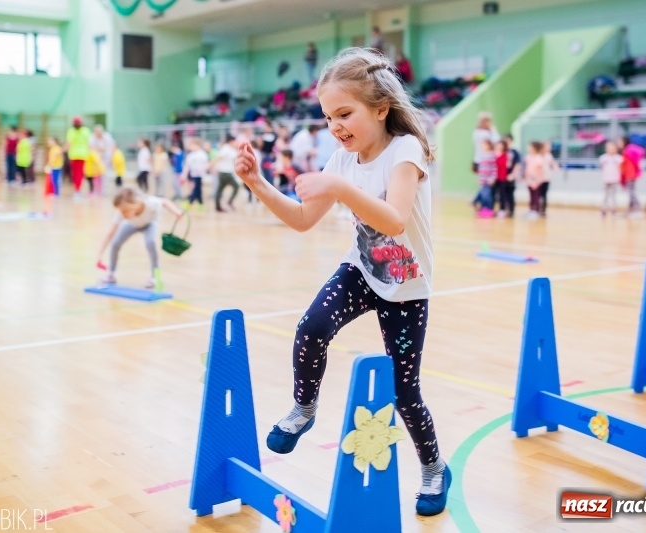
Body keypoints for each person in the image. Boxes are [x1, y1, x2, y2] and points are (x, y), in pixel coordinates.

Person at [233, 47, 450, 518]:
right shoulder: (341, 161)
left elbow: (393, 220)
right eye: (329, 116)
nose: (335, 126)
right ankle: (303, 409)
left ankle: (433, 467)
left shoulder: (405, 151)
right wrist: (257, 183)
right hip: (362, 270)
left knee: (404, 393)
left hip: (406, 285)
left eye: (345, 113)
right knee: (312, 328)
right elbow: (301, 219)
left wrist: (338, 189)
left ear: (380, 108)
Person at [97, 187, 183, 289]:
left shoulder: (149, 202)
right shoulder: (122, 213)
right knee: (115, 243)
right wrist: (100, 254)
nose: (123, 214)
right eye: (121, 211)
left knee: (151, 243)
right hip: (131, 224)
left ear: (135, 204)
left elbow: (164, 201)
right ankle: (111, 274)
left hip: (150, 224)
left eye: (125, 211)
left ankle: (155, 277)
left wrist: (176, 211)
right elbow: (110, 233)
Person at [618, 136, 645, 216]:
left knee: (631, 193)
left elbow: (640, 154)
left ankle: (638, 210)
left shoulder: (628, 150)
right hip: (628, 175)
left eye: (620, 141)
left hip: (631, 175)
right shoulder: (625, 151)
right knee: (630, 193)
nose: (618, 143)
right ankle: (630, 210)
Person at [213, 134, 240, 212]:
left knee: (220, 189)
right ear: (231, 141)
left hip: (227, 172)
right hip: (224, 172)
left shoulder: (231, 149)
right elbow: (219, 157)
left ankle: (218, 206)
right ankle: (228, 202)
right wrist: (214, 166)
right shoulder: (226, 148)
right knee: (236, 186)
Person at [66, 116, 91, 197]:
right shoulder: (86, 131)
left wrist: (61, 151)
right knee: (80, 174)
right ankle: (78, 190)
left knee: (75, 174)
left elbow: (69, 144)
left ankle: (77, 190)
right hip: (83, 155)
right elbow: (89, 144)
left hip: (74, 155)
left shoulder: (71, 131)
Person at [181, 137, 209, 210]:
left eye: (193, 145)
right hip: (193, 174)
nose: (191, 147)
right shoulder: (190, 155)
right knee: (198, 190)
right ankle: (200, 205)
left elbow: (206, 164)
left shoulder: (202, 154)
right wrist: (183, 175)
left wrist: (203, 170)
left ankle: (190, 202)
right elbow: (187, 166)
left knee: (196, 189)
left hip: (200, 175)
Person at [599, 141, 623, 216]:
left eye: (612, 148)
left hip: (615, 179)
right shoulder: (603, 158)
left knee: (613, 195)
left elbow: (620, 169)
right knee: (606, 195)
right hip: (606, 179)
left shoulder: (619, 158)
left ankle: (614, 210)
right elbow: (602, 168)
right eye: (609, 148)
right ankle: (603, 210)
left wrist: (620, 179)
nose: (611, 150)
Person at [524, 141, 546, 219]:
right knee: (531, 196)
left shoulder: (539, 157)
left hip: (536, 180)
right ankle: (531, 209)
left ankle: (536, 211)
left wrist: (536, 181)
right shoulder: (528, 157)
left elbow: (540, 170)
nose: (529, 149)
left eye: (531, 147)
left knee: (536, 196)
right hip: (529, 180)